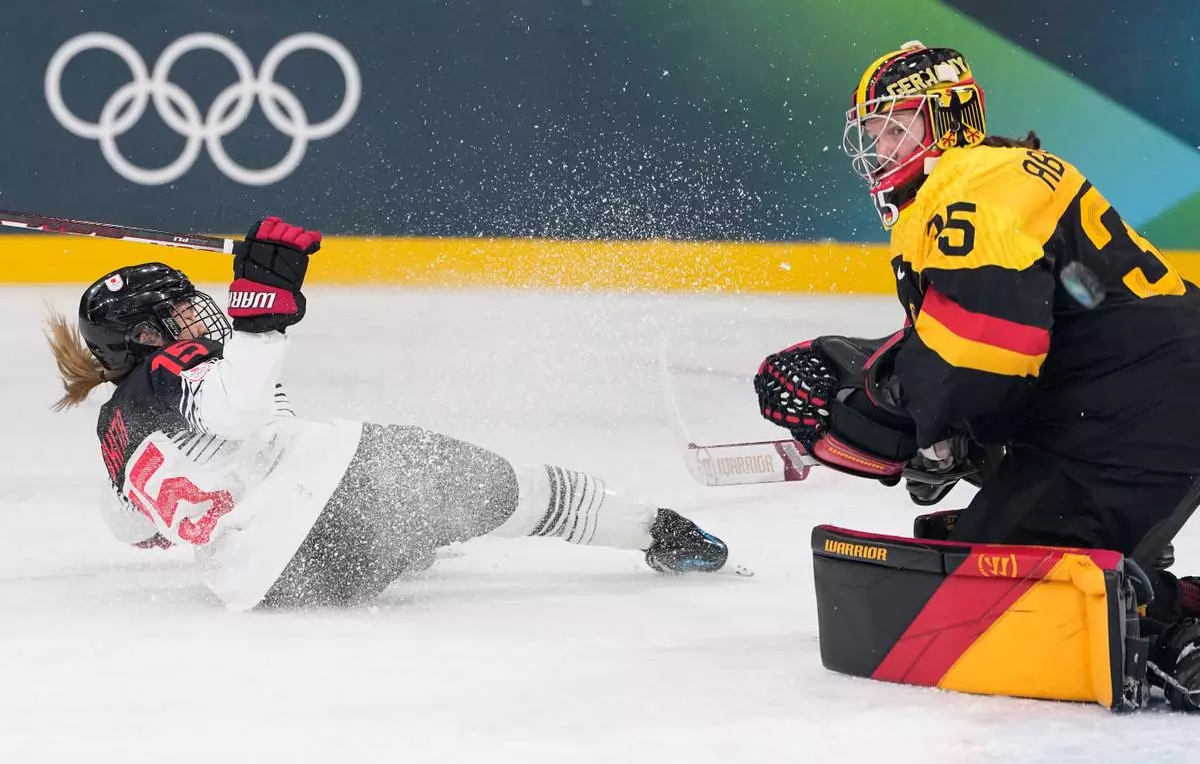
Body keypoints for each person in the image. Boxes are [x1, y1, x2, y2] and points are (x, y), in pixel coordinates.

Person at [753, 41, 1200, 709]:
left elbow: (980, 367)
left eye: (898, 127)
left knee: (997, 603)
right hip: (1136, 395)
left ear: (948, 118)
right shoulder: (994, 172)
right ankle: (1135, 567)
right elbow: (987, 341)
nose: (882, 148)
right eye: (875, 135)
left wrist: (894, 424)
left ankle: (1168, 621)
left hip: (1137, 409)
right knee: (987, 565)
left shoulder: (964, 193)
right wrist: (923, 417)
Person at [46, 216, 731, 612]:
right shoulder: (173, 369)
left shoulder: (115, 435)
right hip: (331, 501)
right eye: (178, 316)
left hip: (276, 585)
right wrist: (259, 316)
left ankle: (402, 529)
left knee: (410, 506)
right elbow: (235, 408)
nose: (200, 321)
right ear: (143, 338)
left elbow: (132, 528)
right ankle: (656, 530)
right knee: (511, 489)